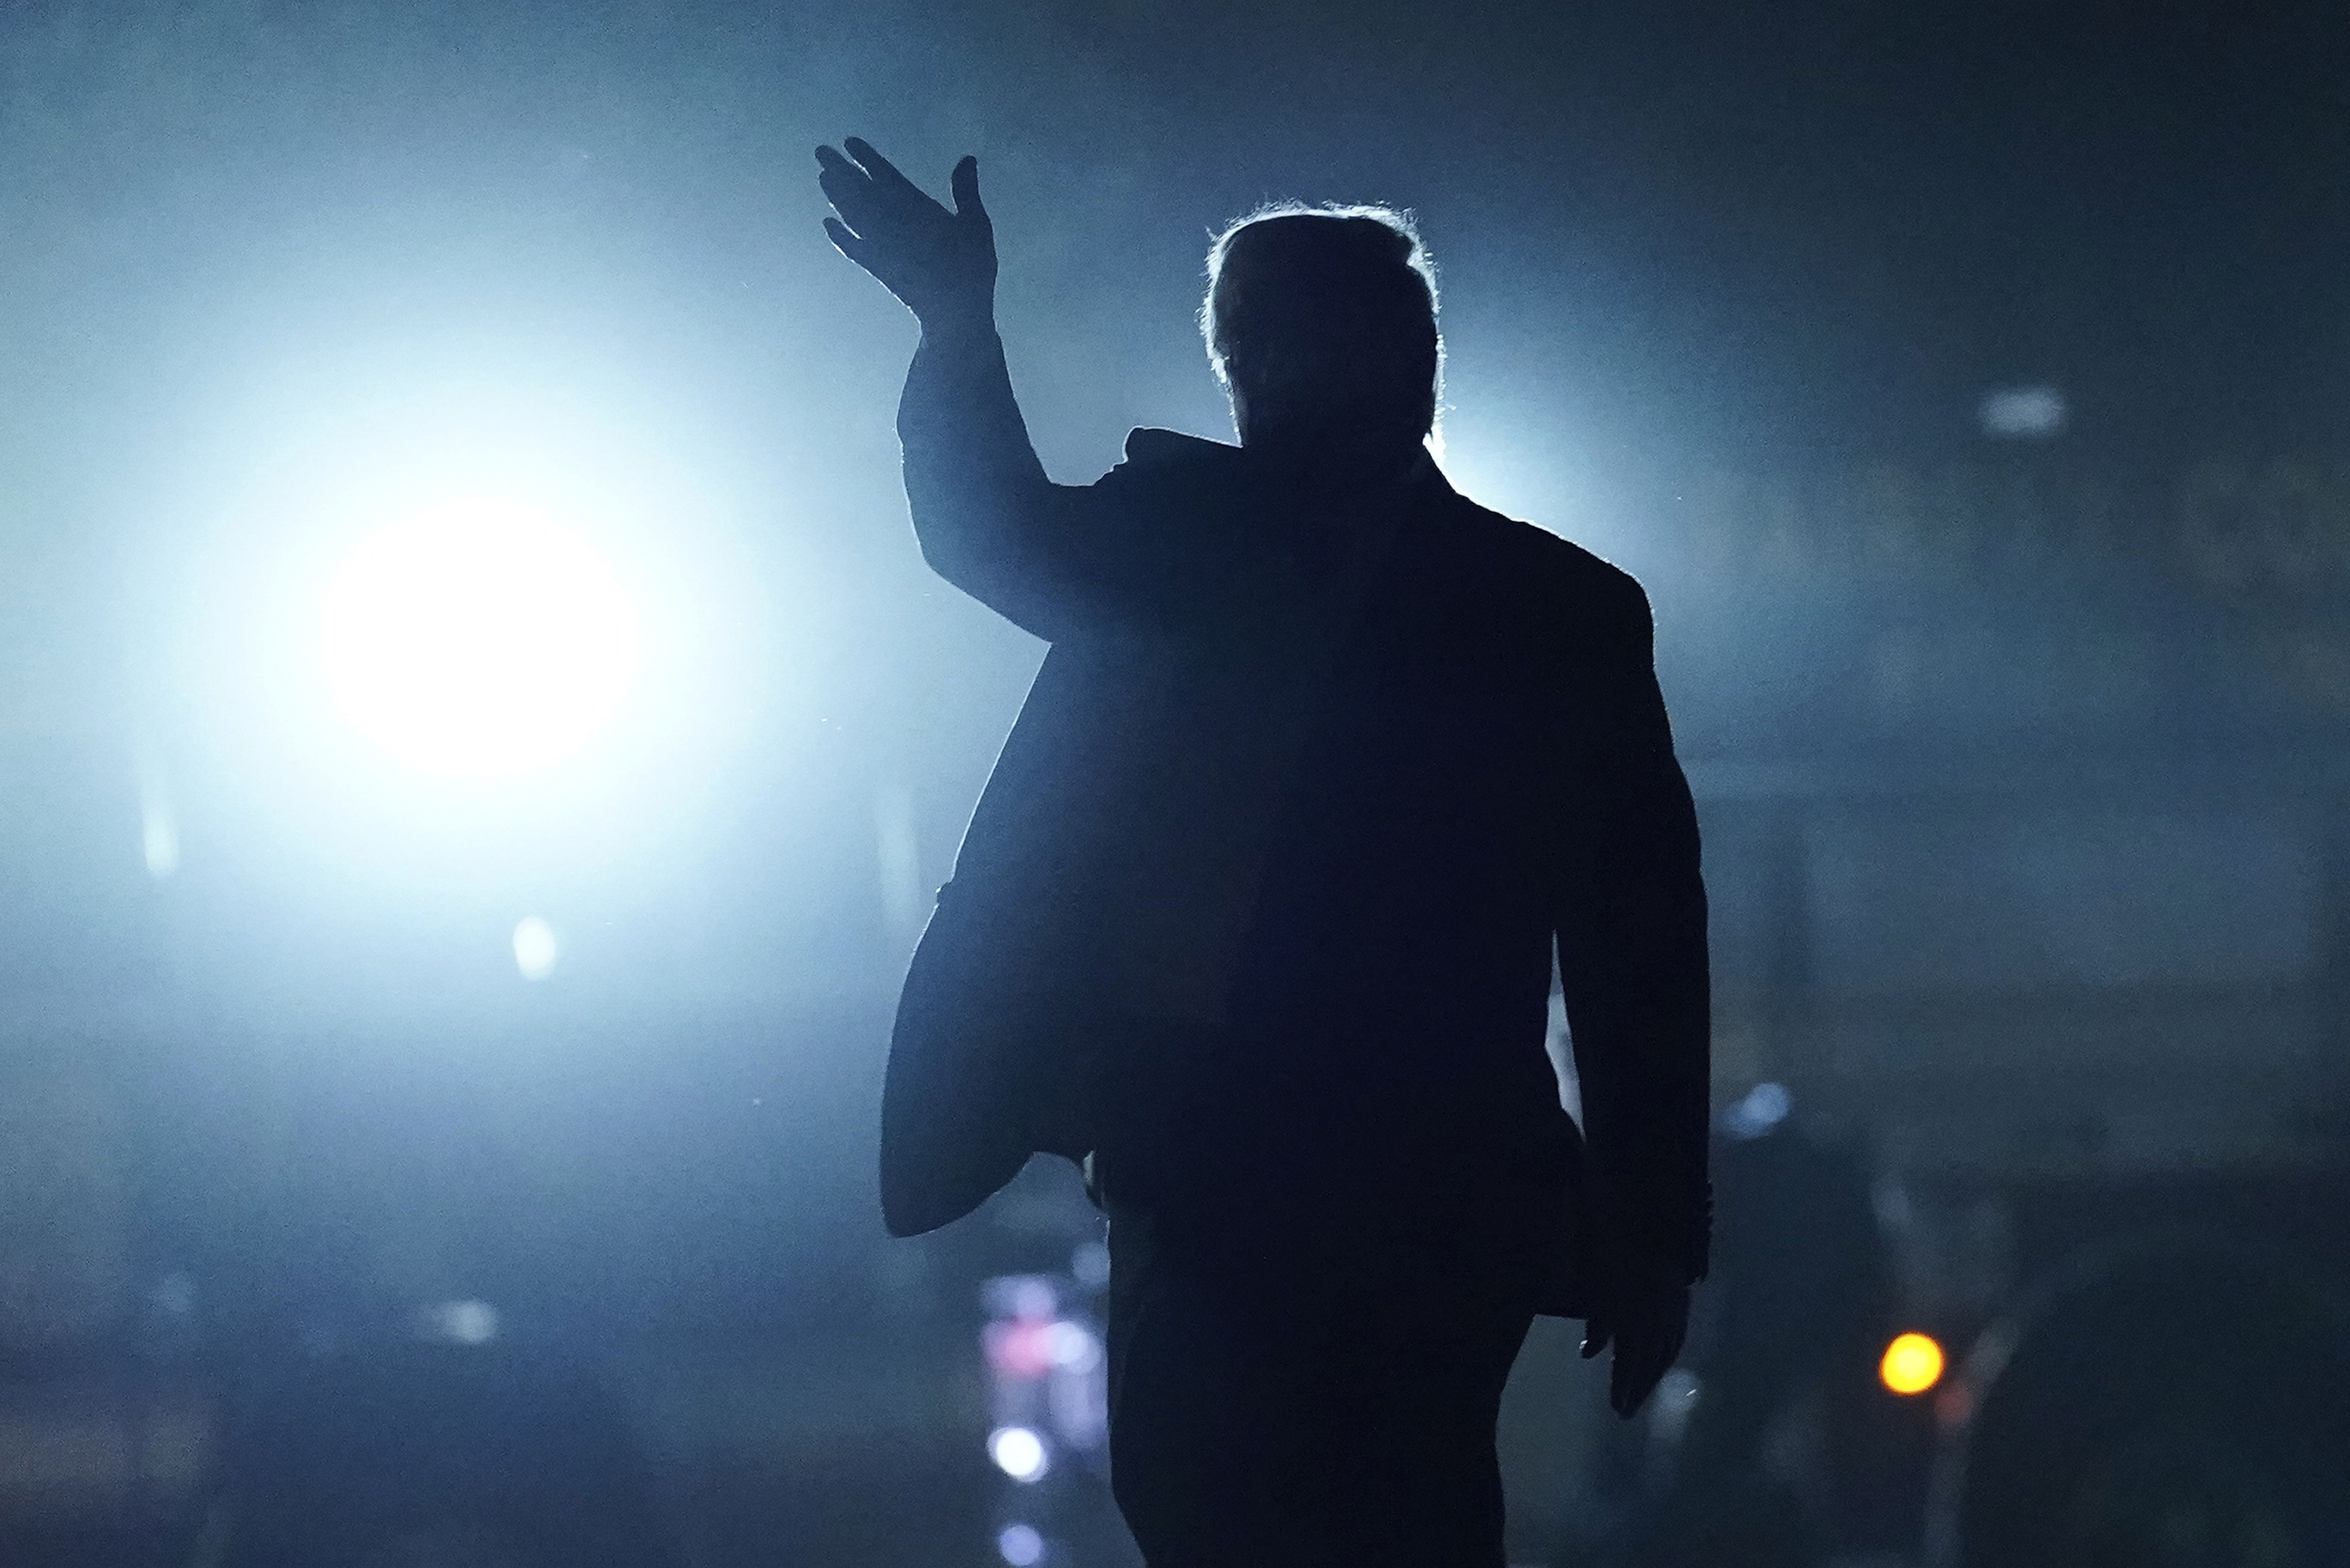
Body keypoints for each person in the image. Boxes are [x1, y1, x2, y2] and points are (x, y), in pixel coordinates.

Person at [818, 137, 1710, 1567]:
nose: (1244, 374)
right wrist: (1652, 1229)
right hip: (1394, 1202)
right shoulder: (1554, 611)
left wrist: (955, 325)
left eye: (1254, 345)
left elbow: (986, 532)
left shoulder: (1190, 554)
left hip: (1229, 1182)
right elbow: (1638, 944)